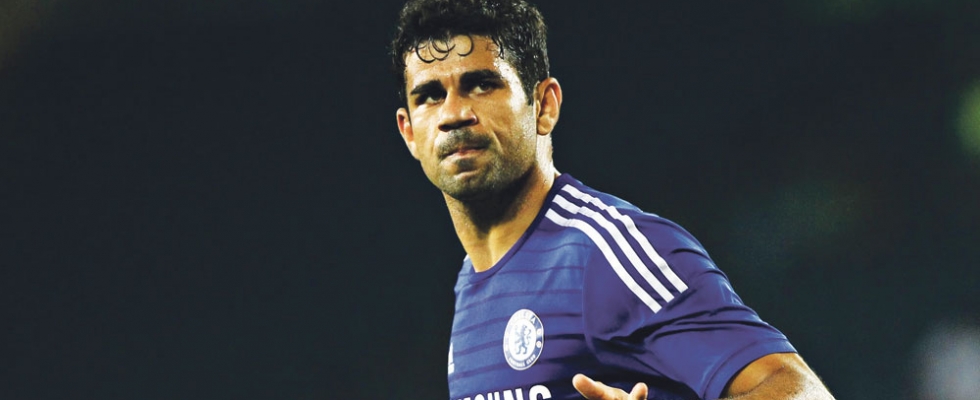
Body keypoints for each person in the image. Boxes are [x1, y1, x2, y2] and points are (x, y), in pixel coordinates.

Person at [390, 1, 836, 399]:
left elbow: (802, 393)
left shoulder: (607, 251)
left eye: (482, 85)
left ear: (544, 106)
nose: (454, 114)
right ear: (409, 132)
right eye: (429, 96)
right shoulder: (470, 284)